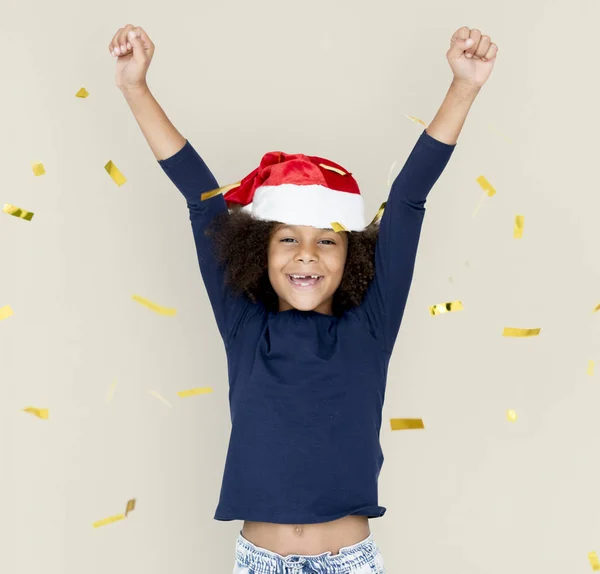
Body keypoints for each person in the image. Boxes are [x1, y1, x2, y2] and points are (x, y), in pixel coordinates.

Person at [108, 23, 498, 573]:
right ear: (257, 254)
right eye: (287, 239)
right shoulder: (243, 323)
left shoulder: (371, 324)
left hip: (349, 562)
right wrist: (135, 88)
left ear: (353, 256)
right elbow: (202, 199)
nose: (307, 255)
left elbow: (409, 198)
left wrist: (464, 86)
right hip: (258, 562)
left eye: (327, 241)